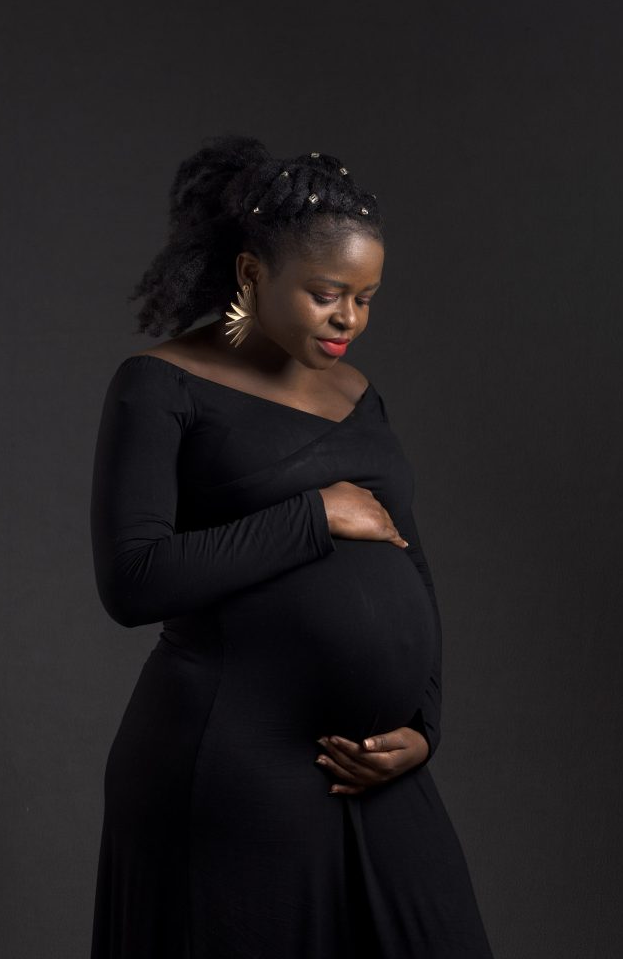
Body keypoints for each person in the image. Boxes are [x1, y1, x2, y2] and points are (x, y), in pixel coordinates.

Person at [88, 135, 495, 958]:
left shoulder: (360, 395)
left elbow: (407, 556)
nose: (350, 319)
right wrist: (310, 515)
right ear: (249, 276)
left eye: (367, 298)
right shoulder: (161, 385)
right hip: (233, 770)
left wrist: (423, 724)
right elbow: (131, 581)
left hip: (376, 768)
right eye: (326, 294)